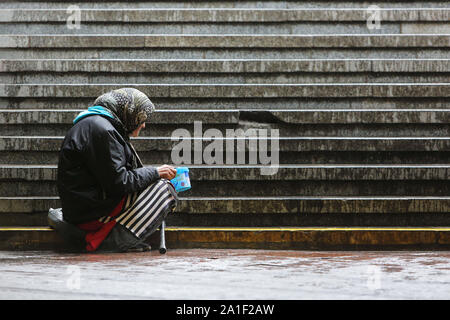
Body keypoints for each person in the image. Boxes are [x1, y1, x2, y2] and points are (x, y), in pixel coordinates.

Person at [50, 88, 178, 253]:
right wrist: (156, 172)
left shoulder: (98, 126)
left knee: (157, 183)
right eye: (141, 118)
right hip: (90, 213)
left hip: (86, 207)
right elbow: (120, 182)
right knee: (165, 190)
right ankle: (112, 240)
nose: (144, 124)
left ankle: (112, 235)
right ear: (129, 113)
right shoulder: (102, 130)